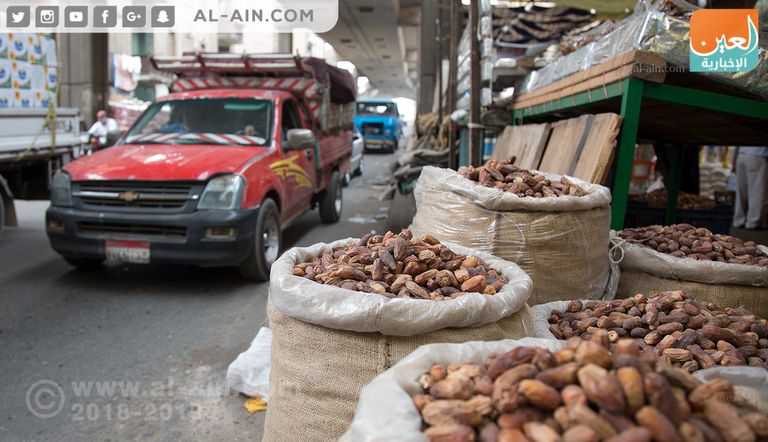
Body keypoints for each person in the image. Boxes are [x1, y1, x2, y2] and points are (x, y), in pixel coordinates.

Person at [732, 146, 768, 230]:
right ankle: (753, 222)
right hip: (757, 156)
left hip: (741, 155)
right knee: (757, 192)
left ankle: (738, 220)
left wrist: (733, 161)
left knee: (741, 192)